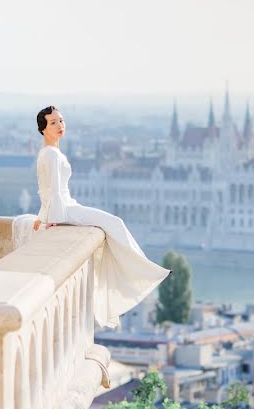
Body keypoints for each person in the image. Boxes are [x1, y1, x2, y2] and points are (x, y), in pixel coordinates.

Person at [33, 105, 169, 328]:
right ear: (43, 129)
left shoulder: (47, 153)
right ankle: (142, 270)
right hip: (66, 208)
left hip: (65, 206)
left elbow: (44, 189)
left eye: (61, 121)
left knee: (113, 224)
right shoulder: (51, 155)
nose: (60, 126)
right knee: (115, 222)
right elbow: (53, 190)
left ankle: (140, 269)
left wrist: (43, 214)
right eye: (53, 122)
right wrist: (53, 219)